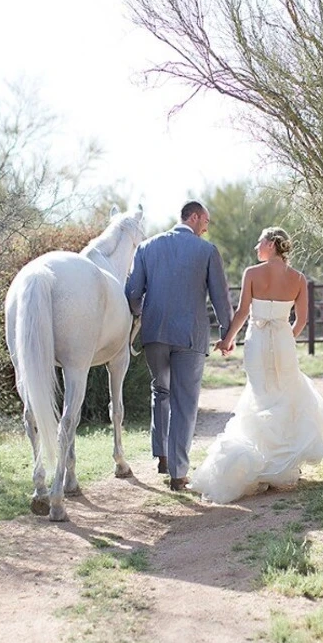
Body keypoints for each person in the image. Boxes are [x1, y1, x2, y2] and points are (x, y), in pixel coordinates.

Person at [189, 227, 323, 504]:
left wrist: (227, 340)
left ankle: (263, 463)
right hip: (282, 341)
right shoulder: (298, 278)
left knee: (260, 396)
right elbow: (302, 319)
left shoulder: (252, 273)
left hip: (256, 341)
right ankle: (281, 467)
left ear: (272, 243)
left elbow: (244, 312)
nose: (257, 246)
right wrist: (285, 339)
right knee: (284, 395)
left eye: (260, 241)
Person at [125, 200, 234, 491]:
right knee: (184, 403)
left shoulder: (147, 247)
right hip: (190, 336)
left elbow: (133, 292)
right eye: (205, 223)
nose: (206, 229)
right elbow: (220, 297)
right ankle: (177, 473)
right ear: (195, 217)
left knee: (160, 390)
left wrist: (139, 315)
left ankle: (161, 455)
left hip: (155, 334)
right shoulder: (207, 251)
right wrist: (227, 332)